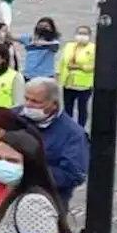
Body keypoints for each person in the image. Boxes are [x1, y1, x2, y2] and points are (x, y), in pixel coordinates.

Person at [18, 77, 88, 207]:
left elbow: (74, 174)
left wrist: (32, 173)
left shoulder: (72, 134)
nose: (28, 105)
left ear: (53, 104)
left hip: (48, 202)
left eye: (35, 101)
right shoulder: (15, 116)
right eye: (26, 98)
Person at [57, 24, 94, 127]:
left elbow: (93, 65)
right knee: (67, 108)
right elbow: (62, 61)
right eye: (80, 33)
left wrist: (79, 67)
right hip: (68, 82)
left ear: (89, 36)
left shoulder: (93, 48)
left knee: (82, 108)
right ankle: (68, 128)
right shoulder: (69, 46)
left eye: (85, 34)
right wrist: (58, 74)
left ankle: (81, 128)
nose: (81, 36)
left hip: (83, 84)